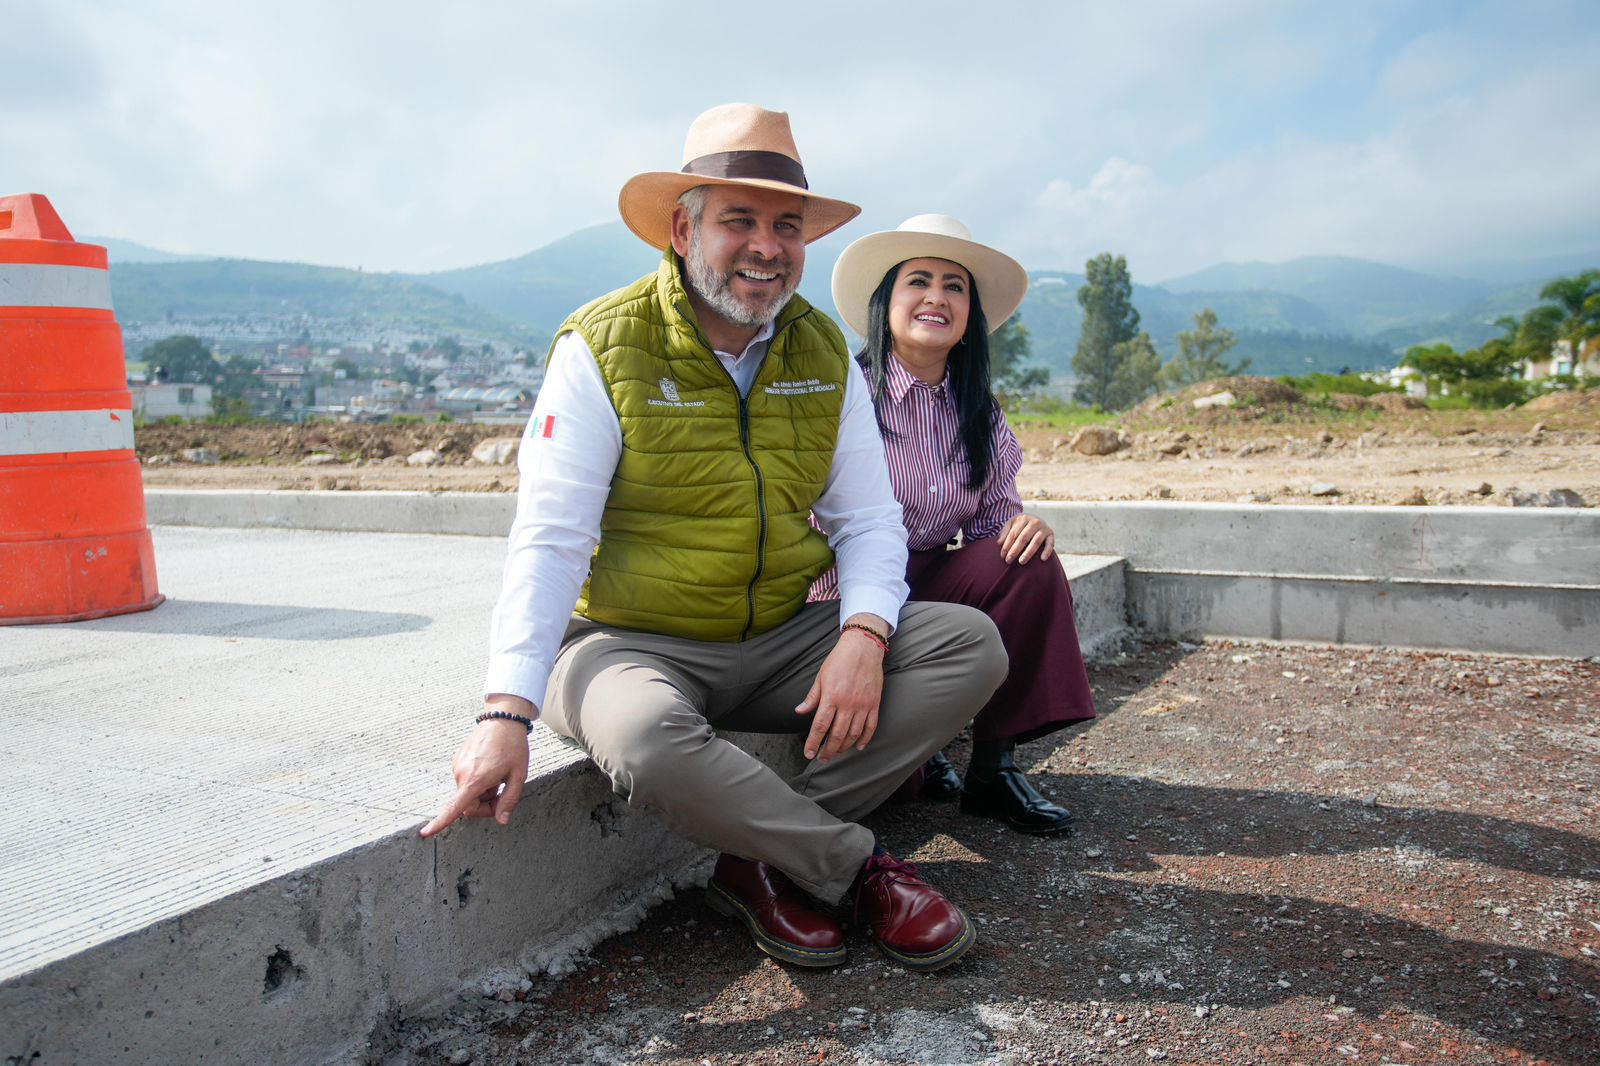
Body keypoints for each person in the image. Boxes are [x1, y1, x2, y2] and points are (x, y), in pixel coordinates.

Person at [419, 106, 1007, 973]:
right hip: (630, 641)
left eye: (787, 226)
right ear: (683, 229)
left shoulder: (820, 350)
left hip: (779, 637)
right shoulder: (604, 347)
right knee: (643, 738)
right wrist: (506, 712)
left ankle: (755, 863)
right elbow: (549, 540)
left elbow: (868, 519)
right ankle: (855, 869)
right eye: (740, 220)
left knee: (969, 645)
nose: (767, 247)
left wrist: (863, 633)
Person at [810, 214, 1097, 836]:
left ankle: (994, 768)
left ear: (970, 313)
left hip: (929, 578)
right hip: (843, 591)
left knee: (1027, 562)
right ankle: (926, 750)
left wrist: (1023, 528)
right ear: (885, 302)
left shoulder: (978, 411)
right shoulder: (843, 395)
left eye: (954, 286)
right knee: (902, 793)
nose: (936, 298)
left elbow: (995, 524)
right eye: (918, 281)